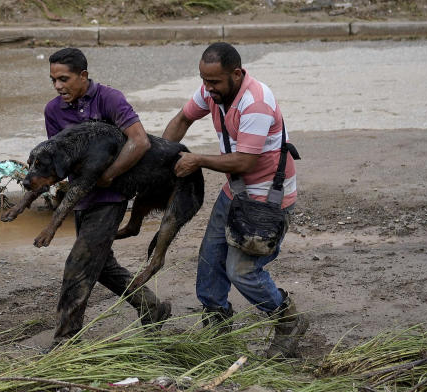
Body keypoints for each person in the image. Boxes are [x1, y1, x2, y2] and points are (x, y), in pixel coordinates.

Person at [161, 42, 308, 358]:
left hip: (267, 199)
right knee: (209, 262)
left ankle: (287, 320)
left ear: (237, 74)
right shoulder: (212, 91)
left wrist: (196, 159)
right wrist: (158, 154)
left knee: (241, 271)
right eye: (204, 81)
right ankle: (217, 335)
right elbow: (182, 120)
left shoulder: (255, 103)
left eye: (214, 82)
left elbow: (244, 162)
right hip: (237, 191)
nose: (208, 89)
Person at [43, 47, 170, 347]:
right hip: (81, 197)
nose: (58, 86)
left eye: (64, 79)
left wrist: (109, 175)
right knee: (101, 265)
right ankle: (152, 309)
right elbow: (58, 157)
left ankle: (66, 341)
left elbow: (139, 142)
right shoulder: (53, 111)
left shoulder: (109, 99)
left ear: (83, 76)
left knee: (79, 264)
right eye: (53, 80)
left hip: (111, 196)